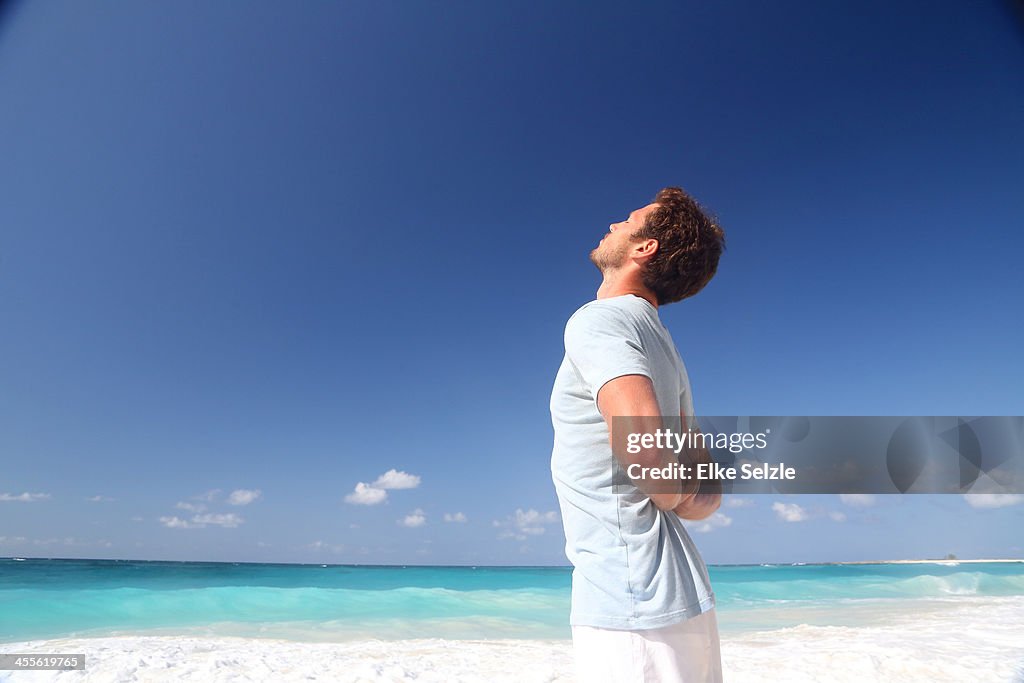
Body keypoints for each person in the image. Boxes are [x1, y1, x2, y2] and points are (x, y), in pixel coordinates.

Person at [549, 186, 726, 682]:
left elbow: (660, 472)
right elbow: (705, 494)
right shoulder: (666, 351)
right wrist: (672, 491)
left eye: (628, 220)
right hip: (680, 595)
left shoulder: (599, 320)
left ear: (644, 248)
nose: (614, 224)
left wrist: (667, 487)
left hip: (630, 600)